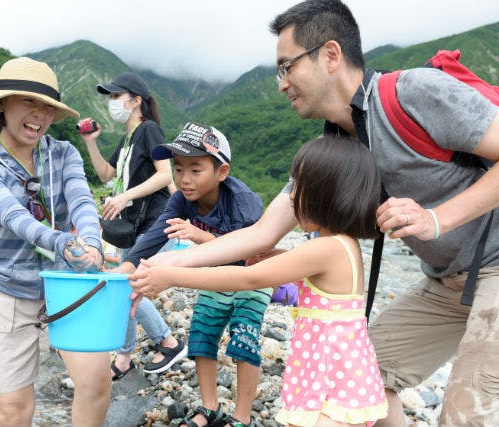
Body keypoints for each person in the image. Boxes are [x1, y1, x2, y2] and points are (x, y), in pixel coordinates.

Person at [138, 1, 499, 426]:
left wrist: (437, 219)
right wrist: (161, 264)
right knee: (365, 378)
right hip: (445, 281)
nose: (280, 84)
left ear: (330, 55)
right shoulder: (334, 151)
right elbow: (260, 234)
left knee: (466, 412)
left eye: (285, 67)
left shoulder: (415, 93)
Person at [131, 136, 389, 427]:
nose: (290, 198)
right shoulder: (342, 244)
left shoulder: (326, 247)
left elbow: (249, 277)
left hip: (331, 374)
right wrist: (276, 254)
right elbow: (304, 267)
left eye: (299, 188)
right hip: (335, 370)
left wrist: (173, 276)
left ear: (326, 194)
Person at [0, 57, 107, 427]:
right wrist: (62, 242)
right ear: (1, 105)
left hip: (68, 283)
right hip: (8, 287)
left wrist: (91, 242)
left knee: (95, 382)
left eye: (46, 107)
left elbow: (81, 201)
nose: (38, 115)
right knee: (13, 409)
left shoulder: (64, 153)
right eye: (28, 102)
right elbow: (12, 217)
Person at [119, 122, 267, 427]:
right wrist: (127, 266)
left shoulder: (244, 202)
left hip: (253, 278)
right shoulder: (182, 199)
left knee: (244, 338)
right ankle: (209, 407)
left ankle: (240, 417)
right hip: (213, 277)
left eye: (195, 170)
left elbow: (250, 255)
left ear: (221, 172)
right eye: (179, 168)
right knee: (201, 336)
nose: (184, 179)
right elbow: (156, 233)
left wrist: (200, 236)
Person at [80, 71, 185, 379]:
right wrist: (90, 142)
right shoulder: (127, 138)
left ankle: (167, 341)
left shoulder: (149, 130)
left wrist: (125, 197)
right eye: (110, 97)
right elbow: (104, 174)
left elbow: (165, 175)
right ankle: (125, 356)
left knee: (125, 284)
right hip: (132, 226)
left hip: (152, 222)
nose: (112, 102)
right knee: (123, 285)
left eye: (116, 96)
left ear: (136, 100)